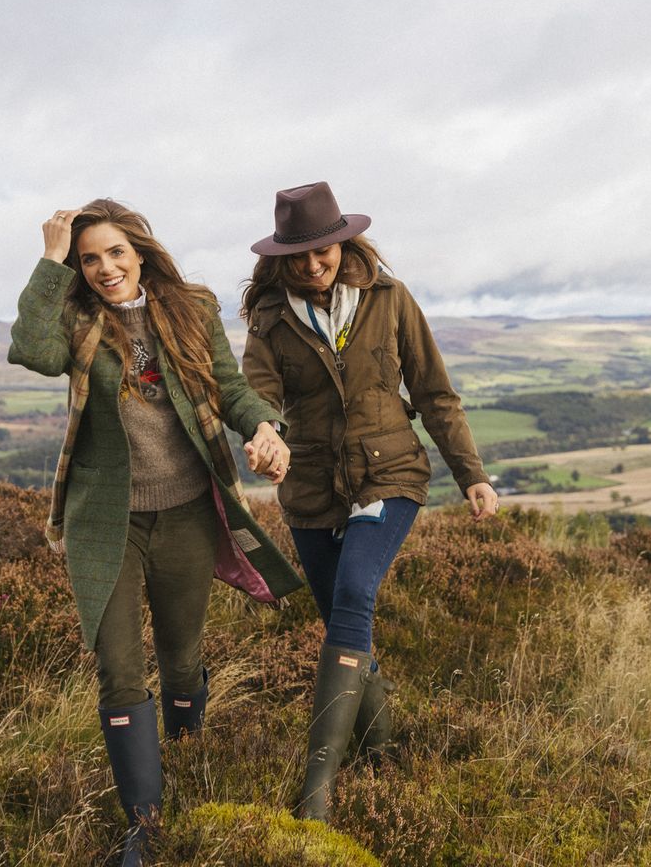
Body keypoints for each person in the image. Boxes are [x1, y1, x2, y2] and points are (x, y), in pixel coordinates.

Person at [8, 199, 301, 867]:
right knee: (118, 666)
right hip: (105, 521)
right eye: (89, 258)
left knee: (180, 658)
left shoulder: (191, 308)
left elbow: (229, 389)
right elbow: (31, 350)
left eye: (114, 252)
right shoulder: (77, 317)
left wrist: (263, 427)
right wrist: (50, 262)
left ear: (140, 249)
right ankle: (145, 824)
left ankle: (190, 773)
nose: (105, 268)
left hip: (189, 514)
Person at [240, 181, 499, 822]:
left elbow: (435, 393)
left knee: (355, 595)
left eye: (321, 251)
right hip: (310, 491)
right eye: (296, 256)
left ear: (343, 241)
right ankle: (381, 760)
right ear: (280, 258)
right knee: (342, 624)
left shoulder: (390, 299)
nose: (311, 266)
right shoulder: (270, 320)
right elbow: (258, 397)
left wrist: (471, 472)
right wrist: (265, 432)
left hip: (390, 476)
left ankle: (316, 792)